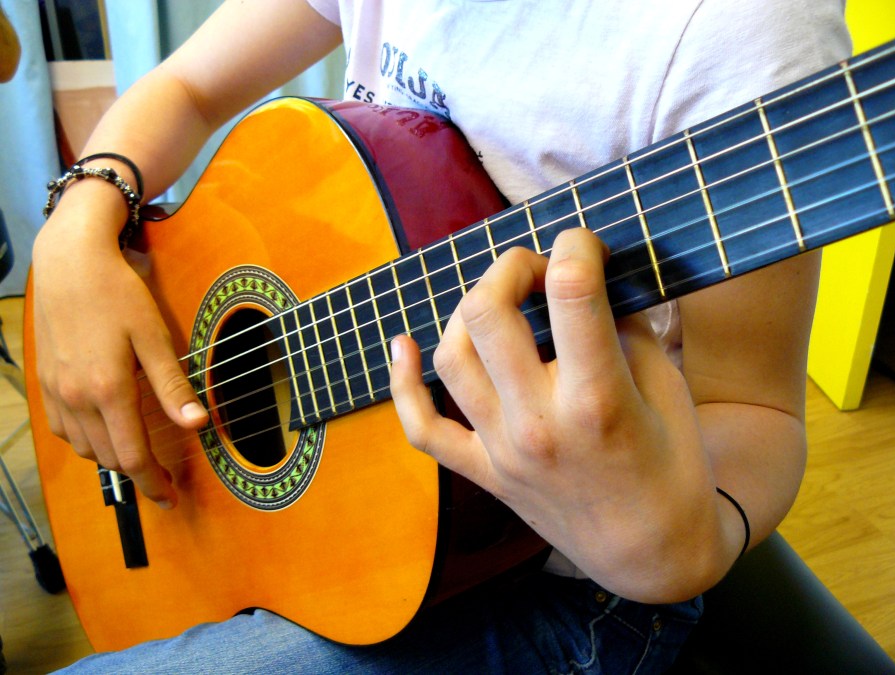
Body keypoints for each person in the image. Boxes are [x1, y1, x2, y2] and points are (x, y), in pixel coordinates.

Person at [32, 0, 851, 672]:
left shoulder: (743, 28)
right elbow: (186, 85)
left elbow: (753, 408)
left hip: (548, 578)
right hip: (342, 506)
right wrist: (81, 214)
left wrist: (678, 552)